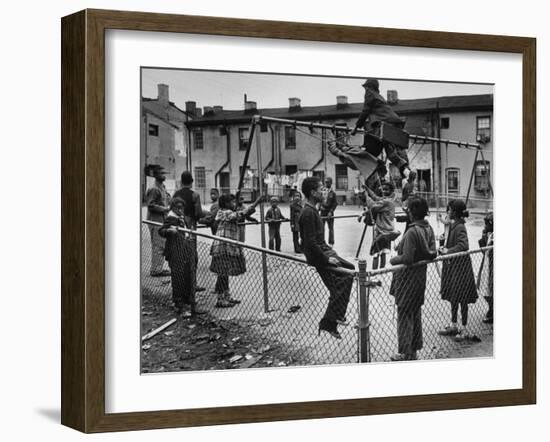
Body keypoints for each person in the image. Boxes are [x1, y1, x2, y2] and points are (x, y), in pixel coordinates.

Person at [299, 177, 355, 339]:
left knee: (349, 270)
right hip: (319, 255)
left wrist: (329, 252)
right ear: (312, 192)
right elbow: (309, 243)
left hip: (323, 250)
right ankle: (330, 320)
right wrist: (326, 259)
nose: (324, 192)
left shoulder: (312, 209)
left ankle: (335, 316)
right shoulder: (308, 212)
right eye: (321, 189)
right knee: (343, 280)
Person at [389, 197, 437, 361]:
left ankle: (404, 352)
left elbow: (408, 258)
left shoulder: (411, 231)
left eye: (408, 210)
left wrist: (394, 259)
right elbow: (429, 252)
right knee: (415, 314)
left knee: (404, 315)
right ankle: (414, 349)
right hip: (419, 280)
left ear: (412, 212)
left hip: (406, 280)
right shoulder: (428, 228)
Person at [210, 193, 263, 308]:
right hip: (223, 246)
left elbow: (241, 214)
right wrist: (256, 203)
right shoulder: (224, 212)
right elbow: (239, 215)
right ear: (225, 204)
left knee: (225, 272)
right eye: (232, 202)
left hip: (229, 245)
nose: (234, 204)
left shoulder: (229, 212)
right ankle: (220, 298)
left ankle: (226, 296)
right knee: (222, 273)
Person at [351, 78, 410, 178]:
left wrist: (356, 127)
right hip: (394, 123)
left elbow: (365, 111)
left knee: (373, 150)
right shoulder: (380, 97)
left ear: (370, 87)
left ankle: (374, 171)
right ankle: (405, 171)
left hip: (385, 124)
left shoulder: (370, 94)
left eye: (366, 87)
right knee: (391, 153)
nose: (365, 90)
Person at [438, 199, 479, 342]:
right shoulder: (451, 225)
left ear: (454, 212)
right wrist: (442, 243)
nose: (447, 212)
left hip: (460, 267)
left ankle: (464, 327)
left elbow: (464, 245)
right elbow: (450, 241)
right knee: (453, 296)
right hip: (452, 266)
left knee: (462, 298)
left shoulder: (460, 227)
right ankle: (454, 324)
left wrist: (448, 251)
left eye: (449, 210)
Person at [159, 197, 204, 316]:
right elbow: (161, 230)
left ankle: (188, 300)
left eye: (182, 208)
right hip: (175, 251)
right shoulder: (171, 218)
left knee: (188, 275)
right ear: (173, 208)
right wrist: (169, 231)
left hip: (185, 250)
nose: (180, 210)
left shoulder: (182, 218)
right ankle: (179, 303)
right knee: (178, 276)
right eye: (177, 208)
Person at [173, 171, 206, 292]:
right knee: (192, 255)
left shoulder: (176, 194)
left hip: (178, 226)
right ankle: (192, 284)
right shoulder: (195, 195)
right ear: (192, 182)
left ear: (181, 182)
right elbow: (198, 213)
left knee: (180, 255)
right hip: (190, 226)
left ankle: (182, 284)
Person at [364, 181, 400, 269]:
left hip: (382, 231)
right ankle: (381, 272)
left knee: (376, 254)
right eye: (383, 189)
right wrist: (368, 190)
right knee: (383, 252)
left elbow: (373, 206)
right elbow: (376, 198)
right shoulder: (389, 200)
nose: (383, 191)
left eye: (386, 190)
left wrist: (366, 196)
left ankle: (374, 274)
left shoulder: (386, 202)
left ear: (391, 191)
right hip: (388, 231)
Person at [145, 166, 171, 277]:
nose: (164, 175)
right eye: (161, 173)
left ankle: (158, 268)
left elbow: (167, 198)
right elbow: (151, 205)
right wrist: (165, 209)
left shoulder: (162, 187)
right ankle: (155, 270)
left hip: (161, 220)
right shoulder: (154, 189)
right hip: (155, 221)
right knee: (158, 245)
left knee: (161, 244)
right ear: (156, 175)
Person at [478, 212, 494, 324]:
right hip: (487, 264)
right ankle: (491, 307)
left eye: (486, 224)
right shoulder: (488, 235)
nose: (484, 227)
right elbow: (484, 251)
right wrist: (483, 238)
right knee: (485, 288)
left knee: (491, 288)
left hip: (492, 266)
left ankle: (492, 310)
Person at [319, 177, 338, 246]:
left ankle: (331, 243)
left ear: (331, 183)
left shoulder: (332, 193)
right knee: (321, 227)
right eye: (325, 182)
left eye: (328, 182)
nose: (326, 183)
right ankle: (322, 241)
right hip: (322, 211)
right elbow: (319, 200)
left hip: (329, 212)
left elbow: (335, 203)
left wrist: (331, 211)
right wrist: (319, 207)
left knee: (330, 228)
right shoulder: (322, 191)